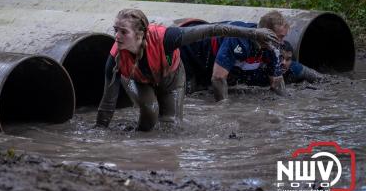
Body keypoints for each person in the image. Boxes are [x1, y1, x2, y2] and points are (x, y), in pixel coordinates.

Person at [96, 9, 279, 131]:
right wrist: (99, 133)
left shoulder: (168, 37)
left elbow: (212, 30)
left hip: (172, 76)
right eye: (115, 30)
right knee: (150, 111)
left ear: (140, 34)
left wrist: (252, 33)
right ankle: (140, 143)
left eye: (123, 32)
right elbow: (108, 101)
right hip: (138, 79)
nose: (117, 37)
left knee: (172, 124)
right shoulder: (115, 58)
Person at [180, 11, 289, 101]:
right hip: (188, 48)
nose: (281, 42)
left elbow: (277, 81)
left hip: (210, 58)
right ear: (266, 33)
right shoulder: (240, 41)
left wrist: (285, 105)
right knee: (190, 94)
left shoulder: (273, 47)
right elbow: (218, 78)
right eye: (280, 37)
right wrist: (224, 109)